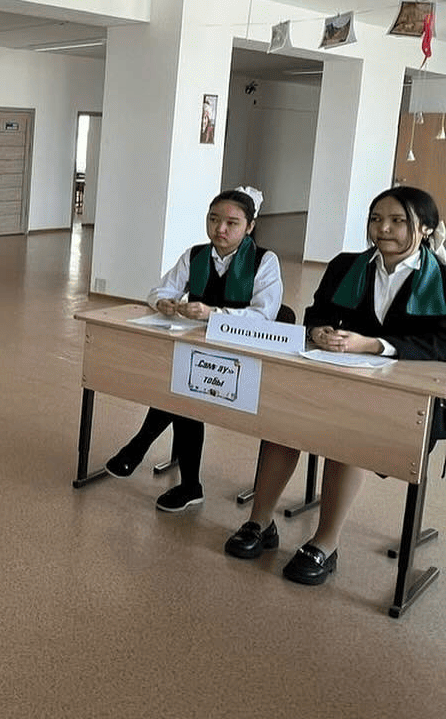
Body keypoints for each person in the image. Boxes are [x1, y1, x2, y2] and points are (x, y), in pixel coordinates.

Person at [225, 185, 446, 584]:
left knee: (346, 433)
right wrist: (319, 332)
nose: (383, 229)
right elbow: (316, 313)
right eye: (376, 219)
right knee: (283, 421)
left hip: (405, 396)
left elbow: (441, 344)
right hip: (336, 376)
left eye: (398, 221)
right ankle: (261, 522)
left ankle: (325, 543)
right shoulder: (347, 265)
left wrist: (374, 345)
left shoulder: (442, 279)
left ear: (427, 228)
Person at [105, 186, 283, 513]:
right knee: (184, 384)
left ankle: (144, 449)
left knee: (184, 387)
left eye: (232, 223)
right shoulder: (196, 255)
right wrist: (163, 302)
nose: (220, 229)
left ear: (250, 227)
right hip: (200, 351)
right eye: (213, 219)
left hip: (244, 357)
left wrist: (212, 313)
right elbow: (161, 289)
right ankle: (185, 482)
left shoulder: (264, 261)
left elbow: (264, 316)